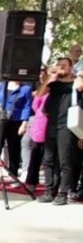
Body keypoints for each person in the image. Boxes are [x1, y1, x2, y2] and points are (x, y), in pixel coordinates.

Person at [39, 58, 83, 205]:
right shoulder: (54, 84)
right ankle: (49, 191)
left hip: (67, 126)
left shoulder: (76, 83)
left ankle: (63, 193)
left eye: (64, 65)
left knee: (65, 160)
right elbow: (40, 94)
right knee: (48, 159)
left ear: (71, 67)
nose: (61, 68)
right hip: (52, 124)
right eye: (59, 65)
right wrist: (49, 77)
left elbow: (81, 86)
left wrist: (78, 77)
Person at [0, 79, 34, 181]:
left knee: (14, 148)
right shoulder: (1, 85)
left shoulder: (26, 89)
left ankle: (13, 173)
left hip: (15, 120)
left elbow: (27, 106)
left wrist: (24, 123)